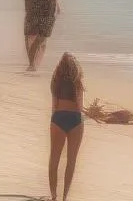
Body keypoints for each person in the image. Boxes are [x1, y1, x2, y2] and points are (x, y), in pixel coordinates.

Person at [48, 53, 85, 201]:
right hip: (75, 120)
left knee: (54, 159)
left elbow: (54, 105)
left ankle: (53, 196)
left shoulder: (55, 80)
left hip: (58, 118)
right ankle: (64, 196)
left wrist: (54, 120)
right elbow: (79, 106)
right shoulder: (78, 81)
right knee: (71, 161)